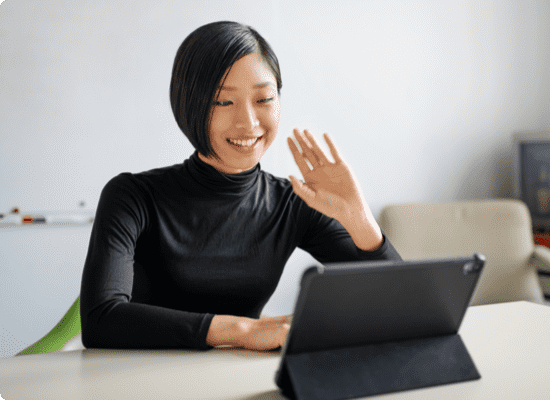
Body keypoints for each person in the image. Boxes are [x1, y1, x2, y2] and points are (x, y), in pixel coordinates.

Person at [80, 21, 402, 352]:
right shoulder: (132, 196)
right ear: (188, 104)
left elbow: (399, 304)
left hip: (238, 377)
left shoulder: (293, 202)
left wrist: (361, 222)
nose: (247, 122)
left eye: (263, 98)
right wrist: (243, 330)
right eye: (223, 102)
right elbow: (100, 320)